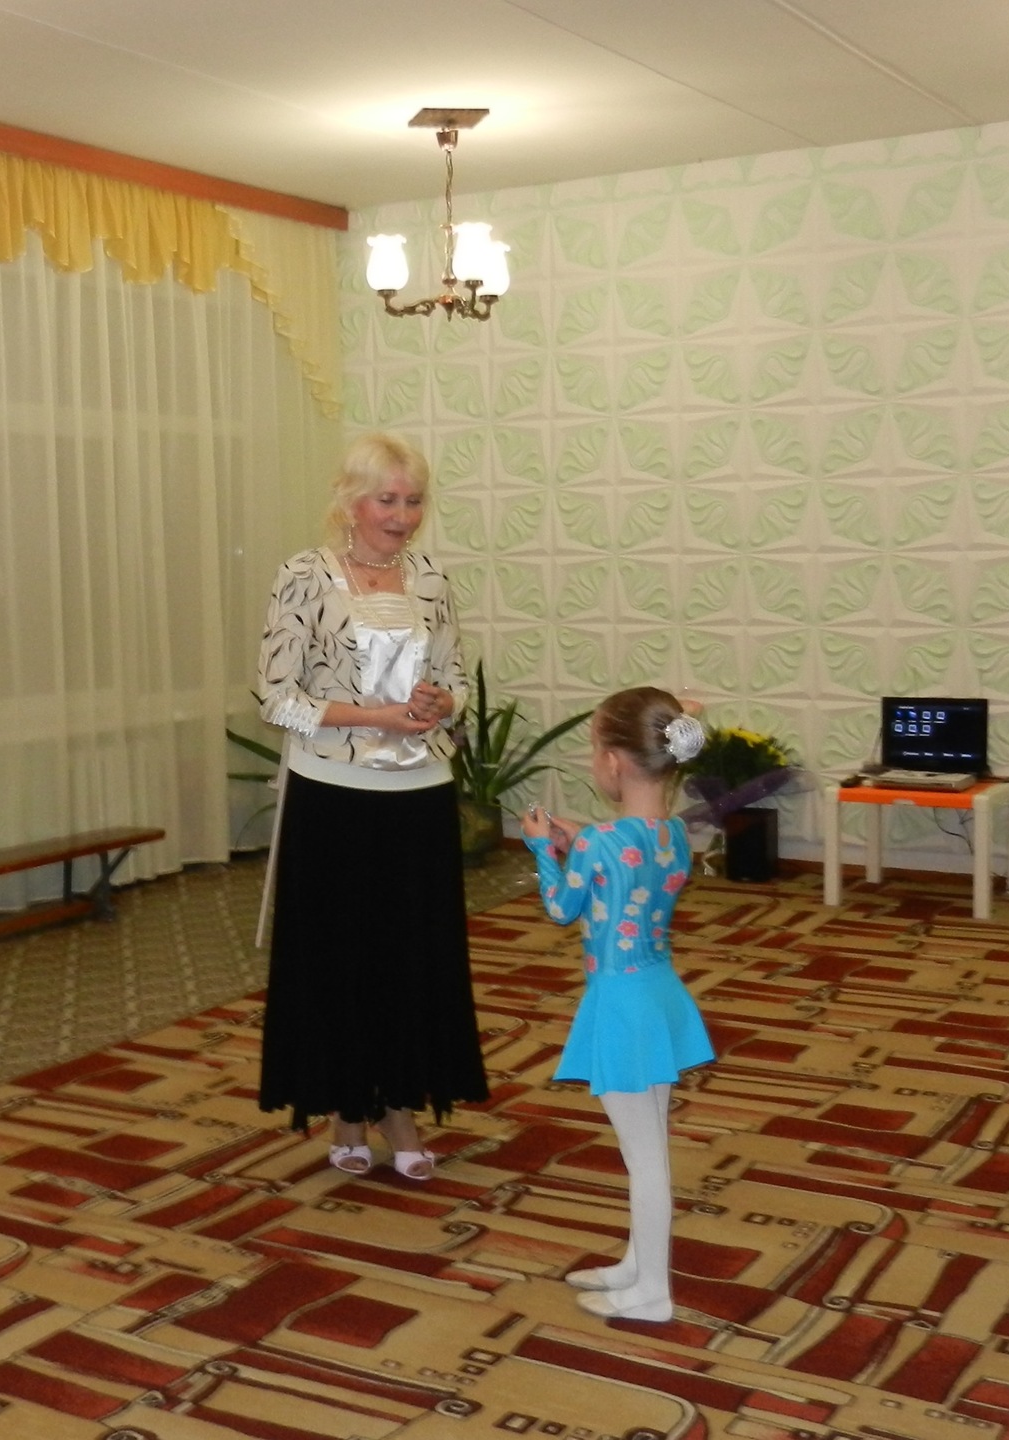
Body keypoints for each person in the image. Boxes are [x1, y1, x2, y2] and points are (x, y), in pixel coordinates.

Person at [252, 433, 489, 1181]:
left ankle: (401, 1108)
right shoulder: (303, 576)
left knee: (412, 959)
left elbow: (457, 681)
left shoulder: (431, 579)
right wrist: (371, 718)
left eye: (413, 501)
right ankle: (348, 1109)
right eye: (387, 500)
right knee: (340, 958)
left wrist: (443, 702)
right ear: (350, 501)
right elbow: (275, 698)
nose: (402, 515)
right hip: (333, 796)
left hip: (419, 794)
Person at [520, 687, 717, 1320]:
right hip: (657, 993)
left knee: (645, 1158)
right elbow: (626, 857)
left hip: (620, 1006)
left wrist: (542, 848)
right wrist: (577, 840)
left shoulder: (601, 843)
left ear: (611, 763)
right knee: (649, 1143)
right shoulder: (675, 833)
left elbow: (562, 908)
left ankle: (653, 1293)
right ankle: (638, 1265)